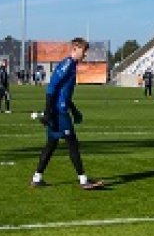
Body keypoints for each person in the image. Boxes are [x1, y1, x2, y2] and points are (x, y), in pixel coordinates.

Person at [30, 37, 104, 190]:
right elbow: (51, 88)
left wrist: (74, 109)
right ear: (75, 49)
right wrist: (48, 112)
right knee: (72, 144)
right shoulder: (67, 64)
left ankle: (37, 178)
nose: (85, 55)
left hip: (59, 109)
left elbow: (65, 93)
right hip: (59, 112)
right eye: (84, 51)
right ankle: (84, 181)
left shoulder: (72, 65)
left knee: (51, 145)